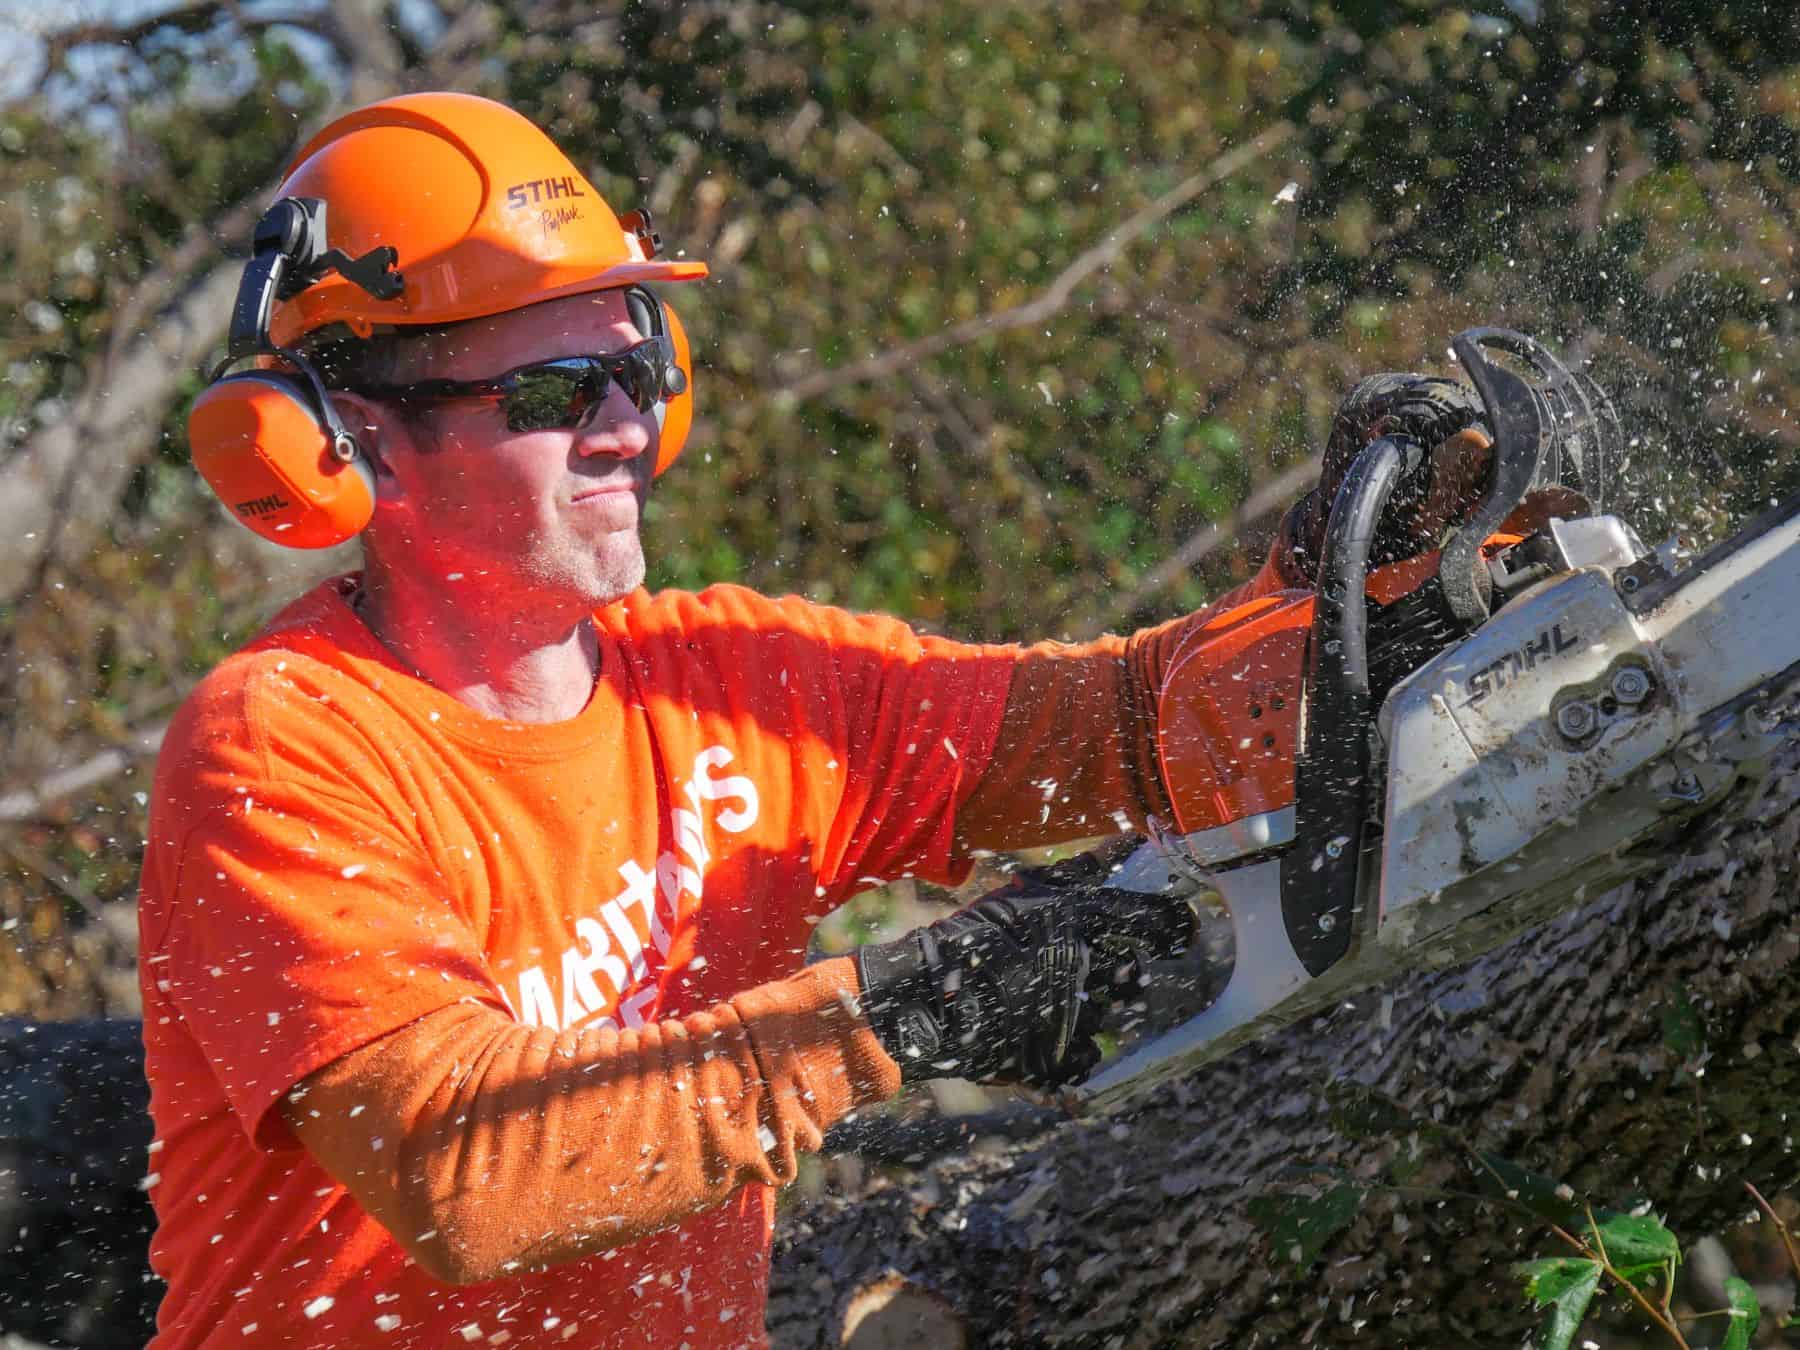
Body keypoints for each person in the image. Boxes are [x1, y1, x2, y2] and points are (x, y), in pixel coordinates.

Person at [138, 92, 1490, 1348]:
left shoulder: (733, 676)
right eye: (554, 394)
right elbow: (468, 1172)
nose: (622, 428)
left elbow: (1120, 729)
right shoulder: (283, 743)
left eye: (635, 369)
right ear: (350, 438)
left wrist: (1344, 609)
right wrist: (908, 1012)